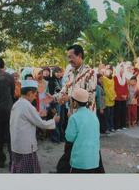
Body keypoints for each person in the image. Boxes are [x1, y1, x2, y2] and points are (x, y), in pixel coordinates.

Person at [42, 44, 104, 173]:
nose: (69, 60)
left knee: (85, 147)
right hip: (73, 116)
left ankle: (64, 171)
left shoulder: (90, 73)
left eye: (71, 57)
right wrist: (53, 98)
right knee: (73, 146)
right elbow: (64, 91)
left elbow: (91, 96)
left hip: (87, 118)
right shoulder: (70, 72)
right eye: (68, 57)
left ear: (80, 56)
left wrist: (69, 98)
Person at [10, 80, 60, 173]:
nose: (35, 97)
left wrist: (37, 114)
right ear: (29, 93)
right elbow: (41, 123)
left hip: (17, 143)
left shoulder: (18, 103)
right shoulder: (27, 106)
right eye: (34, 95)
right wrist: (53, 121)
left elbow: (27, 117)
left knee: (18, 166)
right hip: (25, 145)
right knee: (26, 169)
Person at [66, 88, 100, 173]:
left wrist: (69, 119)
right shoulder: (93, 115)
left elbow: (69, 138)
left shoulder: (74, 118)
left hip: (80, 160)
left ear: (75, 103)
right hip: (94, 159)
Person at [48, 66, 64, 143]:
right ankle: (55, 138)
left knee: (61, 120)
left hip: (61, 102)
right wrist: (52, 106)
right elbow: (50, 95)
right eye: (57, 72)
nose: (58, 73)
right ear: (54, 72)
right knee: (56, 121)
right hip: (55, 103)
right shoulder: (51, 81)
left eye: (60, 72)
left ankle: (60, 137)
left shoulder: (59, 80)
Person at [114, 63, 129, 130]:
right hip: (117, 98)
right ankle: (117, 126)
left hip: (124, 98)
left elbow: (126, 87)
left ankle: (123, 125)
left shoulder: (124, 78)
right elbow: (115, 88)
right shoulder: (115, 77)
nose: (122, 70)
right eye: (121, 68)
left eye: (123, 68)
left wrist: (126, 95)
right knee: (117, 112)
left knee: (123, 112)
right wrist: (121, 95)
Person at [103, 67, 116, 132]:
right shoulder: (104, 78)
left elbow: (113, 88)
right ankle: (107, 128)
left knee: (111, 115)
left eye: (110, 70)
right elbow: (106, 89)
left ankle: (112, 127)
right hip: (107, 99)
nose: (109, 71)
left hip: (113, 99)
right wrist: (111, 97)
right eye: (107, 70)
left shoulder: (112, 78)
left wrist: (114, 96)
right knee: (107, 115)